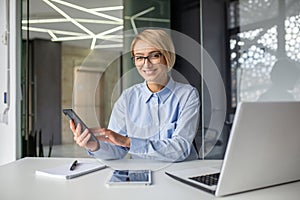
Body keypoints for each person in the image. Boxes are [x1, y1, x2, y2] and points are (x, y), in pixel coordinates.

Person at [70, 29, 200, 162]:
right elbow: (117, 150)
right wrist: (94, 145)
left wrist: (128, 142)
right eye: (139, 57)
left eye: (154, 55)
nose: (146, 64)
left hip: (181, 172)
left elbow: (180, 149)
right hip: (141, 173)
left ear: (167, 57)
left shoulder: (187, 95)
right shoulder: (127, 98)